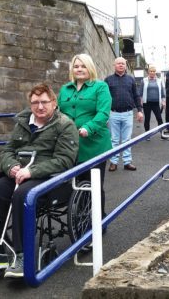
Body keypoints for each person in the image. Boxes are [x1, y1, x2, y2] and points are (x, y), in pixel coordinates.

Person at [0, 83, 79, 278]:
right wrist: (11, 167)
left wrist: (31, 171)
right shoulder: (23, 122)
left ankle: (21, 254)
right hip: (18, 174)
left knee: (23, 195)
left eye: (44, 102)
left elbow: (64, 160)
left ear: (53, 102)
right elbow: (7, 151)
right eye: (35, 102)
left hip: (48, 178)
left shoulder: (65, 125)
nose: (40, 107)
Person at [58, 54, 112, 217]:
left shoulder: (100, 87)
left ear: (90, 68)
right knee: (77, 185)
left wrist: (88, 127)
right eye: (76, 66)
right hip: (70, 144)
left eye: (83, 66)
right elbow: (58, 112)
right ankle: (80, 220)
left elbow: (103, 112)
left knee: (94, 185)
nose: (79, 69)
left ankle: (98, 220)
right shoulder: (65, 89)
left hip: (94, 144)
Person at [105, 57, 143, 171]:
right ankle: (113, 162)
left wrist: (140, 111)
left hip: (128, 113)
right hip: (113, 114)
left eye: (123, 63)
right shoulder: (108, 80)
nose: (121, 65)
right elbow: (104, 98)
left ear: (125, 66)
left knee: (127, 139)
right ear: (114, 65)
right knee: (114, 140)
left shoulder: (131, 80)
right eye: (118, 63)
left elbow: (136, 96)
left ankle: (127, 162)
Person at [140, 65, 165, 139]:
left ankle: (162, 134)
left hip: (156, 103)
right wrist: (140, 101)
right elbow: (140, 92)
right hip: (146, 103)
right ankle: (147, 135)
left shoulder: (159, 80)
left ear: (155, 72)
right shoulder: (144, 80)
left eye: (154, 71)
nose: (152, 72)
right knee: (147, 119)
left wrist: (163, 101)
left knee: (159, 118)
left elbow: (162, 92)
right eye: (151, 71)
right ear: (148, 72)